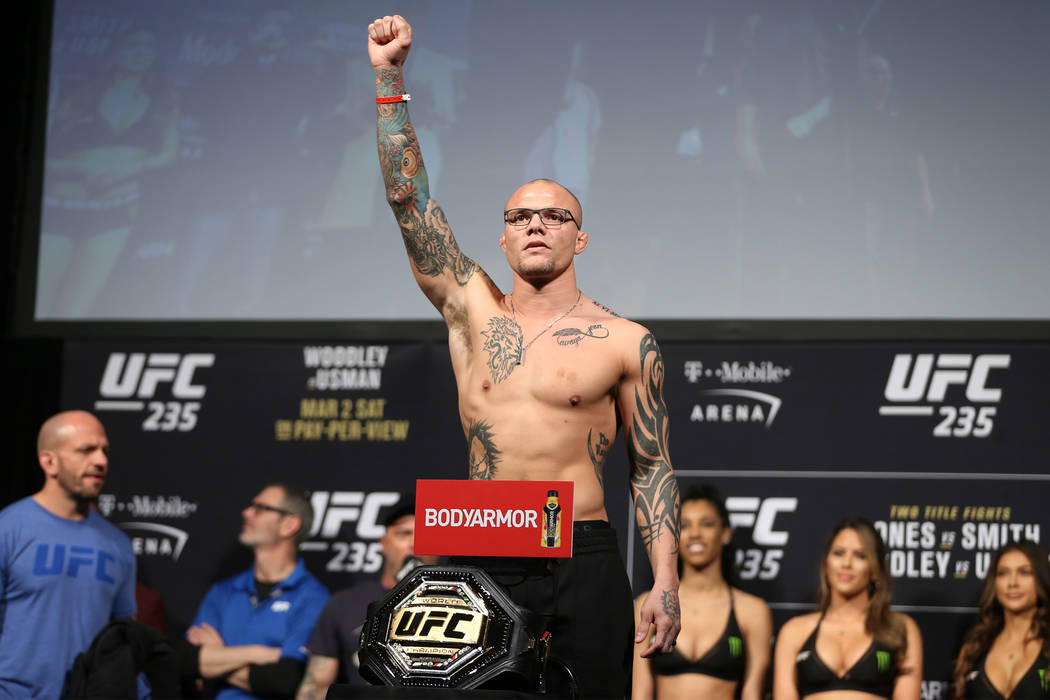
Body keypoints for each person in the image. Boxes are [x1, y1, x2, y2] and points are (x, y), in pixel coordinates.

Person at [368, 14, 681, 698]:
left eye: (553, 215)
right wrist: (390, 79)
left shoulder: (626, 340)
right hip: (479, 544)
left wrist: (664, 580)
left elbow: (652, 468)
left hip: (584, 552)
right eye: (518, 217)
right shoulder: (471, 308)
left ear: (582, 238)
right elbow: (407, 199)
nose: (535, 224)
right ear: (503, 243)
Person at [0, 410, 137, 698]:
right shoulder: (7, 530)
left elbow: (124, 637)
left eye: (104, 451)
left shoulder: (118, 544)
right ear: (49, 461)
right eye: (86, 450)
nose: (101, 461)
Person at [184, 484, 329, 699]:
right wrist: (260, 653)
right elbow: (186, 662)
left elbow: (285, 680)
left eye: (260, 508)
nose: (247, 512)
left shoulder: (314, 598)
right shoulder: (223, 591)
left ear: (289, 524)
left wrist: (218, 657)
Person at [633, 485, 772, 700]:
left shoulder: (752, 611)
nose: (695, 534)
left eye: (706, 524)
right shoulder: (650, 603)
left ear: (725, 533)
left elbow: (752, 693)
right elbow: (640, 692)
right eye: (685, 526)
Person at [296, 500, 438, 699]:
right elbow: (316, 686)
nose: (414, 544)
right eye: (404, 534)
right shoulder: (344, 604)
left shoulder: (460, 603)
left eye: (424, 536)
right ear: (384, 543)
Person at [773, 517, 923, 700]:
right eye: (838, 553)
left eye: (860, 555)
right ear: (826, 563)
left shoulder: (901, 628)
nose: (846, 563)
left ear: (875, 569)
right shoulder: (795, 631)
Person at [952, 540, 1050, 699]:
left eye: (1024, 572)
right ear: (994, 582)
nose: (1012, 583)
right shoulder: (976, 646)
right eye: (1003, 573)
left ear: (1041, 578)